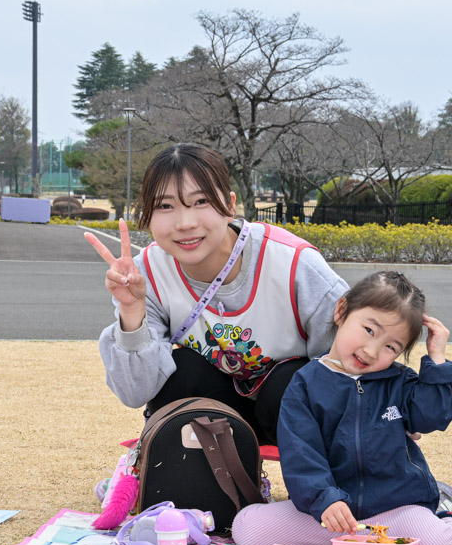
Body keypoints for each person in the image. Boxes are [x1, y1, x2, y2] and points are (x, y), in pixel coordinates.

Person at [84, 143, 349, 447]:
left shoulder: (293, 263)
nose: (185, 223)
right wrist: (132, 313)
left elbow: (349, 362)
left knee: (293, 381)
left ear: (230, 204)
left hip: (290, 414)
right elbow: (136, 393)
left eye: (201, 201)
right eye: (165, 206)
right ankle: (204, 473)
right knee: (182, 373)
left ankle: (315, 474)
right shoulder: (146, 273)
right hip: (215, 420)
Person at [230, 271, 452, 545]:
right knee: (247, 528)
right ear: (341, 311)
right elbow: (301, 453)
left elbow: (433, 416)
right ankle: (366, 541)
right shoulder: (305, 385)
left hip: (396, 511)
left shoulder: (400, 382)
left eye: (391, 347)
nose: (371, 351)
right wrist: (325, 500)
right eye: (369, 330)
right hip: (327, 516)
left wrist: (437, 359)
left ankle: (441, 514)